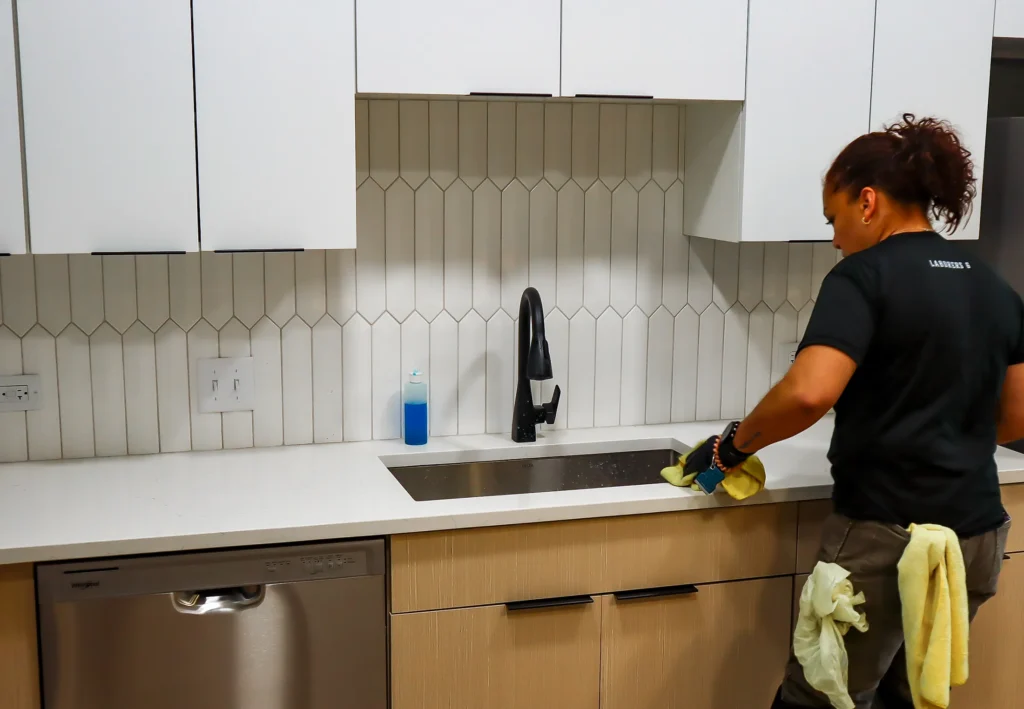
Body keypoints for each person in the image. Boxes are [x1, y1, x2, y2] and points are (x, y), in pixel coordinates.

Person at [685, 114, 1022, 709]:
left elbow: (810, 392)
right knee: (906, 694)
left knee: (822, 697)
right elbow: (1017, 416)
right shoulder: (994, 287)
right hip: (975, 539)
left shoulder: (862, 277)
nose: (835, 238)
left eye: (834, 218)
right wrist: (939, 432)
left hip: (885, 533)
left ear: (867, 202)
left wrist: (730, 447)